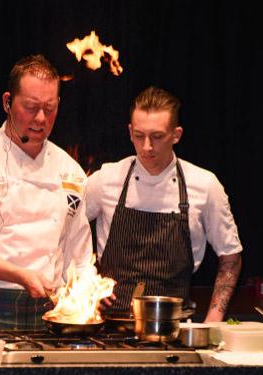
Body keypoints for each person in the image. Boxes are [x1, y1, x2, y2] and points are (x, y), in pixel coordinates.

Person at [0, 55, 93, 331]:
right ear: (7, 102)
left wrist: (86, 294)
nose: (41, 118)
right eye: (31, 107)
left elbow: (78, 255)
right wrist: (23, 276)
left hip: (51, 309)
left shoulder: (71, 172)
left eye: (50, 108)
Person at [87, 86, 242, 322]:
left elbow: (230, 257)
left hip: (173, 327)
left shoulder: (205, 185)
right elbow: (65, 228)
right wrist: (85, 278)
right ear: (129, 132)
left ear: (176, 135)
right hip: (108, 326)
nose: (147, 147)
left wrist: (214, 319)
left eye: (157, 137)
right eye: (139, 136)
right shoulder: (106, 179)